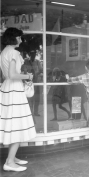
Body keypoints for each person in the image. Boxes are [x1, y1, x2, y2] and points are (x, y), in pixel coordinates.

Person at [0, 27, 36, 172]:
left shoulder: (3, 52)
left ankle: (12, 157)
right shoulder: (14, 52)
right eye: (19, 37)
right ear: (13, 38)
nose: (21, 40)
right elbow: (13, 75)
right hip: (14, 90)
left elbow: (5, 76)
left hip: (8, 89)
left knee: (12, 123)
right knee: (17, 124)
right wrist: (28, 77)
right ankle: (9, 162)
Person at [22, 50, 42, 118]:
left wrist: (36, 73)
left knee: (37, 98)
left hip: (36, 81)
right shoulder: (26, 61)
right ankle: (30, 112)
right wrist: (29, 72)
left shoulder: (38, 62)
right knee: (30, 97)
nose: (33, 55)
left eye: (34, 54)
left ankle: (35, 112)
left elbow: (41, 70)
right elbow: (24, 70)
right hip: (29, 82)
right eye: (32, 54)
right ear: (30, 54)